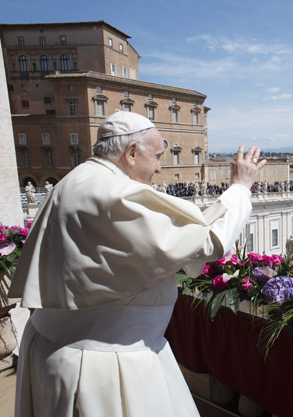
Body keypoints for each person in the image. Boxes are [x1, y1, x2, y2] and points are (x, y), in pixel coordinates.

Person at [8, 111, 266, 417]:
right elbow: (207, 241)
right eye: (157, 156)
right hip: (102, 365)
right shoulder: (113, 192)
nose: (159, 166)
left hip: (58, 348)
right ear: (131, 152)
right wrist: (240, 187)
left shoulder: (76, 180)